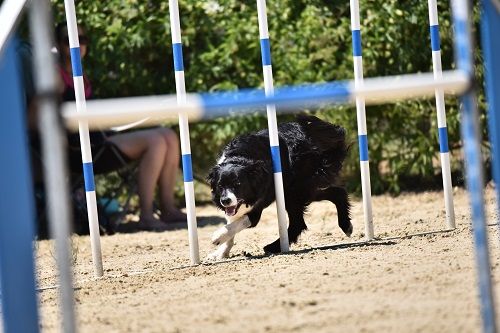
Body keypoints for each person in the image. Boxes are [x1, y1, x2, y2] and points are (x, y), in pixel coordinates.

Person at [55, 23, 187, 230]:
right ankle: (146, 213)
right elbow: (42, 117)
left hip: (99, 138)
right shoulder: (56, 76)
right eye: (69, 40)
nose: (78, 44)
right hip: (83, 151)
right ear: (58, 44)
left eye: (82, 39)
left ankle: (168, 208)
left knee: (169, 135)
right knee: (156, 141)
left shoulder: (80, 74)